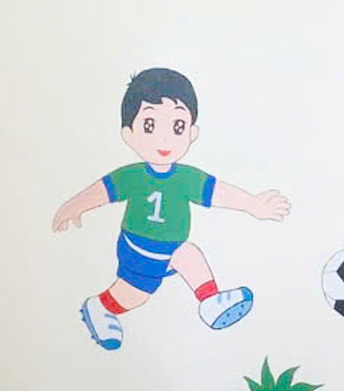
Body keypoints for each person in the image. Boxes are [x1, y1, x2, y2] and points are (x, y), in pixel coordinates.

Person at [52, 67, 290, 350]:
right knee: (135, 296)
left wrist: (253, 204)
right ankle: (100, 307)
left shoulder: (188, 178)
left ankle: (210, 301)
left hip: (171, 247)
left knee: (188, 254)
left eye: (177, 127)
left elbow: (217, 192)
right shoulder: (131, 176)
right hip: (139, 250)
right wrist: (72, 206)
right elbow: (102, 191)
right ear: (129, 134)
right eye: (149, 126)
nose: (164, 140)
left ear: (191, 132)